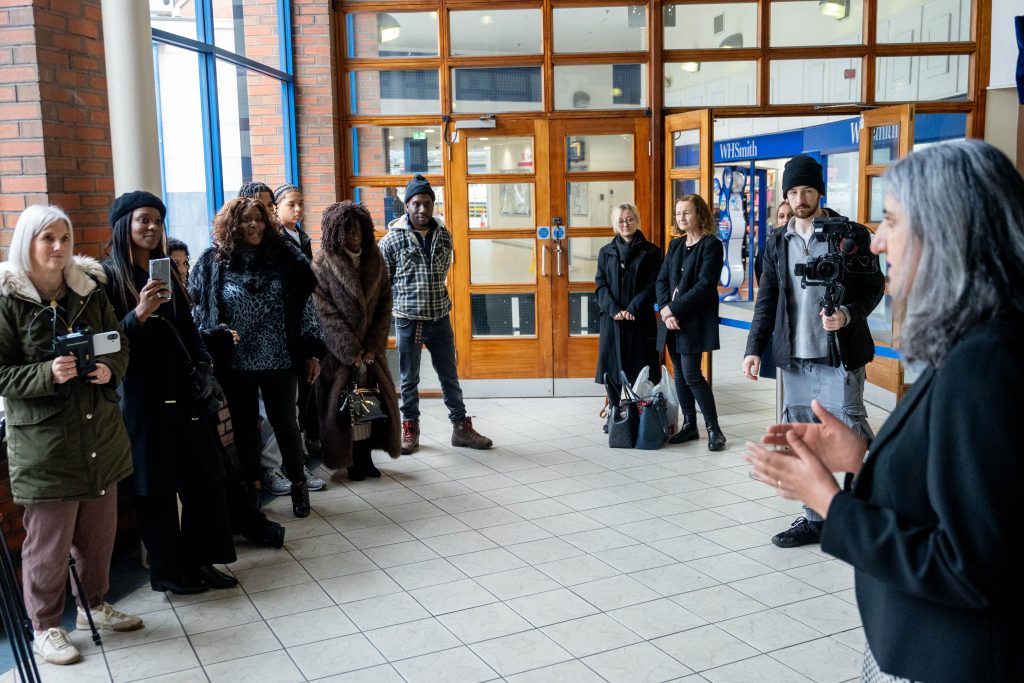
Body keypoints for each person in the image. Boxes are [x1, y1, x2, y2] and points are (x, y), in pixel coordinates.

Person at [745, 140, 1024, 682]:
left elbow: (971, 569)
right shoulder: (971, 340)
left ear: (944, 230)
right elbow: (950, 487)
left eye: (892, 221)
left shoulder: (986, 364)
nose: (875, 241)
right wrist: (860, 456)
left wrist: (826, 500)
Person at [0, 205, 143, 665]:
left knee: (98, 534)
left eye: (65, 237)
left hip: (99, 431)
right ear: (28, 243)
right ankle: (44, 626)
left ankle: (92, 606)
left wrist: (108, 369)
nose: (59, 248)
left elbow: (118, 343)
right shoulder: (7, 301)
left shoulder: (88, 290)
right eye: (48, 239)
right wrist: (47, 373)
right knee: (49, 543)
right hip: (46, 444)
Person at [741, 154, 884, 548]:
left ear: (820, 191)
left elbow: (875, 286)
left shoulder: (849, 234)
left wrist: (847, 313)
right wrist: (755, 348)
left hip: (839, 356)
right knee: (803, 439)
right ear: (785, 194)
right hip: (795, 358)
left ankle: (869, 513)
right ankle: (815, 518)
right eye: (793, 190)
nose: (800, 197)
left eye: (807, 189)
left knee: (853, 438)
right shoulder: (776, 240)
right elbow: (767, 298)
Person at [102, 191, 237, 595]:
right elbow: (107, 344)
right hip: (143, 398)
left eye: (157, 221)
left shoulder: (166, 275)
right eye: (143, 220)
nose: (151, 228)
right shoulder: (107, 278)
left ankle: (201, 560)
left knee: (206, 478)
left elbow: (189, 329)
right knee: (156, 489)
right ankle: (168, 573)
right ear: (124, 224)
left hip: (186, 392)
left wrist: (204, 365)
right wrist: (139, 313)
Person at [189, 197, 324, 518]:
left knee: (285, 424)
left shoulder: (284, 258)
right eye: (246, 220)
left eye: (259, 219)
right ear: (232, 225)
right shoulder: (213, 262)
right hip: (236, 361)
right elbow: (200, 311)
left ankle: (298, 486)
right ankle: (253, 487)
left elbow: (305, 307)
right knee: (245, 427)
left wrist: (310, 352)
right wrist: (216, 335)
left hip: (280, 358)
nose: (253, 225)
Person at [379, 174, 492, 454]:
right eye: (416, 204)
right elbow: (383, 284)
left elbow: (443, 271)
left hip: (440, 318)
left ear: (433, 204)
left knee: (449, 376)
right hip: (409, 320)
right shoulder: (391, 240)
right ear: (407, 206)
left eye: (427, 203)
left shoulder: (444, 234)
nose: (422, 209)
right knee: (409, 379)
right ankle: (410, 429)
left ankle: (460, 429)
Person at [312, 201, 401, 479]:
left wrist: (374, 346)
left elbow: (385, 303)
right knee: (343, 410)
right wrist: (350, 350)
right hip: (339, 355)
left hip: (371, 352)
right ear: (335, 232)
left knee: (370, 405)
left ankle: (365, 457)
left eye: (359, 229)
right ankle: (350, 460)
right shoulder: (322, 264)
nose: (354, 236)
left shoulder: (375, 259)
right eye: (347, 230)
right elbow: (323, 312)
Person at [656, 195, 725, 450]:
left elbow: (705, 286)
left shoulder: (712, 245)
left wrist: (673, 310)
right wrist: (665, 311)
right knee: (680, 376)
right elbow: (661, 280)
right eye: (678, 214)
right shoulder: (675, 246)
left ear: (700, 215)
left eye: (686, 213)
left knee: (693, 374)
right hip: (671, 321)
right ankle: (689, 426)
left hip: (693, 322)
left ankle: (714, 429)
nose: (681, 218)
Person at [594, 203, 662, 429]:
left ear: (637, 220)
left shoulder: (652, 252)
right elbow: (600, 285)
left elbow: (654, 284)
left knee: (641, 367)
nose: (626, 224)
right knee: (611, 368)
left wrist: (633, 308)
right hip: (612, 321)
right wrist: (614, 310)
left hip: (639, 319)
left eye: (630, 219)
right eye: (621, 220)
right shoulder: (606, 252)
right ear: (615, 224)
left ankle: (639, 411)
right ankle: (616, 411)